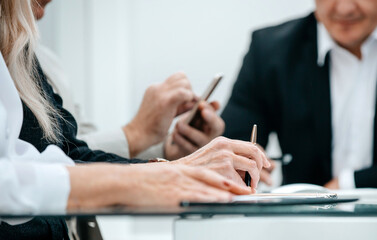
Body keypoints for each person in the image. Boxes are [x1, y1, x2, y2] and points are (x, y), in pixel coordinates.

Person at [0, 0, 269, 239]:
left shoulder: (30, 53)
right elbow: (21, 172)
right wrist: (160, 161)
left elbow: (61, 153)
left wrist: (170, 159)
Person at [33, 0, 225, 161]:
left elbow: (78, 145)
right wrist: (136, 133)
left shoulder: (48, 61)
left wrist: (169, 151)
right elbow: (58, 158)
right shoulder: (11, 62)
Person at [222, 0, 377, 189]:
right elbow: (236, 137)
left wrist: (350, 183)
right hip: (301, 216)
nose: (345, 8)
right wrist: (239, 160)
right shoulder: (270, 50)